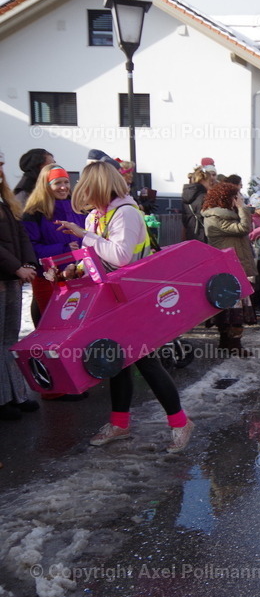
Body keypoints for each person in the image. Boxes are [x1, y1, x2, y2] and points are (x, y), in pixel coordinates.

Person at [57, 161, 194, 451]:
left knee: (146, 362)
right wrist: (77, 266)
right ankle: (120, 424)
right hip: (110, 297)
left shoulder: (126, 213)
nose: (84, 196)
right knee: (117, 361)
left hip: (134, 298)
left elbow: (120, 257)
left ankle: (181, 423)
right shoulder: (96, 216)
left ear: (98, 188)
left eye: (87, 189)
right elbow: (97, 255)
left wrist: (86, 237)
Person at [21, 164, 87, 325]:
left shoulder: (78, 209)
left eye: (66, 182)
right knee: (53, 324)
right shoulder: (33, 213)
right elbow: (30, 248)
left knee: (77, 324)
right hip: (47, 278)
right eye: (57, 183)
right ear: (46, 185)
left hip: (78, 275)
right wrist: (63, 250)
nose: (63, 187)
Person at [1, 152, 40, 421]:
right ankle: (4, 400)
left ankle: (17, 394)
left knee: (8, 341)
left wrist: (28, 263)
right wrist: (17, 267)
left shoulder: (6, 201)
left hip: (11, 279)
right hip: (6, 276)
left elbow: (21, 235)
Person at [201, 181, 257, 357]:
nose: (239, 199)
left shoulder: (230, 215)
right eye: (236, 196)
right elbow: (243, 228)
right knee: (232, 306)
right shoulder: (214, 218)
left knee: (234, 304)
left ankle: (229, 342)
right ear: (227, 198)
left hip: (236, 265)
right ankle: (232, 343)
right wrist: (242, 209)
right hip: (226, 268)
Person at [181, 159, 217, 243]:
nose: (210, 183)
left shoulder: (186, 195)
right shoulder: (204, 197)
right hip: (203, 236)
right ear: (202, 180)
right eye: (209, 181)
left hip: (190, 234)